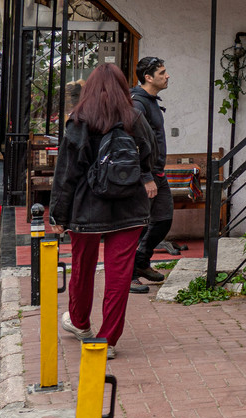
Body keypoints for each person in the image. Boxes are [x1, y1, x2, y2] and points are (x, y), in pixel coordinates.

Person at [50, 63, 158, 361]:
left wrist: (58, 214)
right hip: (129, 206)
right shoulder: (135, 117)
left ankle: (81, 324)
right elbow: (151, 153)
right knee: (119, 275)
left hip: (87, 208)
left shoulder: (80, 120)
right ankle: (107, 340)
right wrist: (145, 177)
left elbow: (67, 172)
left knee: (82, 268)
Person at [129, 56, 174, 294]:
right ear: (148, 77)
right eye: (162, 73)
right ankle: (129, 274)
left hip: (157, 172)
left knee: (163, 219)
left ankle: (142, 262)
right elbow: (136, 143)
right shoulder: (137, 103)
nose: (167, 76)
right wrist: (145, 176)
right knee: (138, 225)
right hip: (144, 176)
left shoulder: (151, 101)